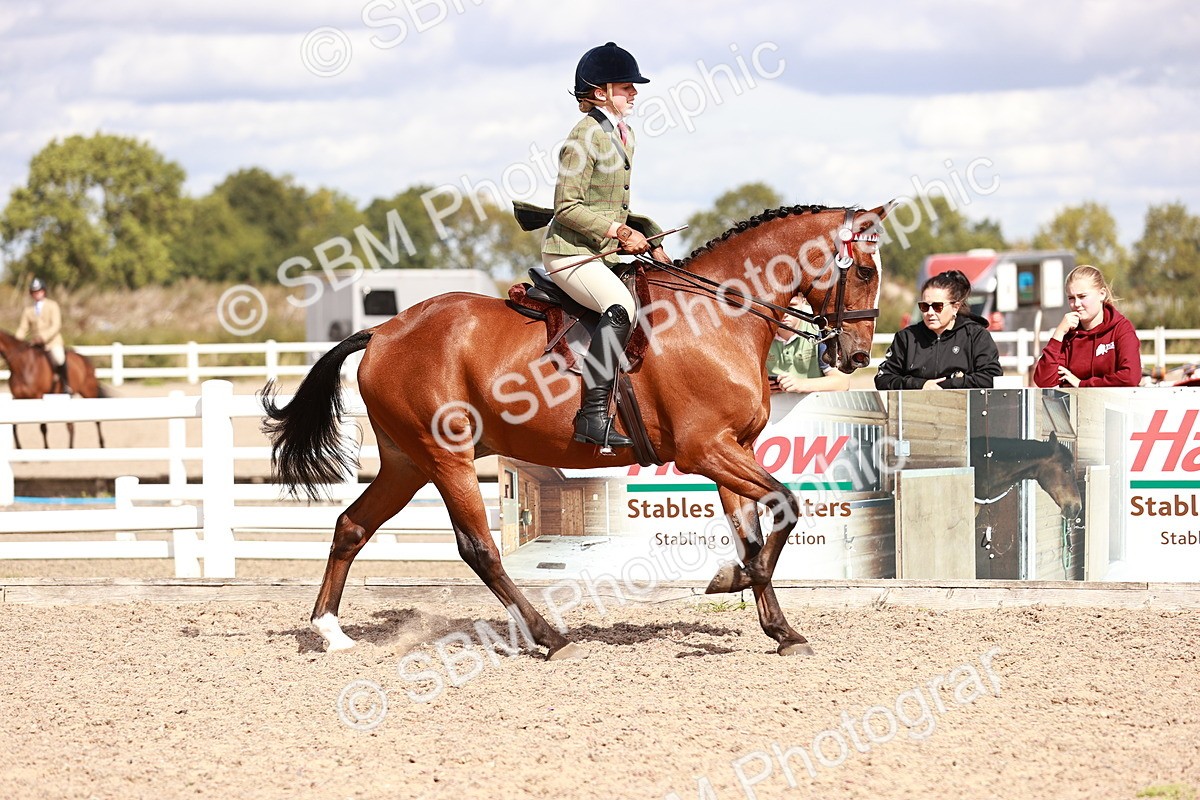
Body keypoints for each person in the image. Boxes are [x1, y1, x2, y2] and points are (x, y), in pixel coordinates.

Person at [542, 42, 669, 449]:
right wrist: (620, 232)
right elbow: (566, 207)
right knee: (621, 307)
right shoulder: (584, 138)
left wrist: (649, 236)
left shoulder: (621, 134)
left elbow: (613, 205)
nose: (634, 93)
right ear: (601, 92)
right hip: (570, 253)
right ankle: (592, 416)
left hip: (601, 253)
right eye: (626, 86)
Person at [874, 270, 1002, 390]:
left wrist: (948, 385)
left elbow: (991, 376)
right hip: (916, 406)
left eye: (937, 306)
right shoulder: (906, 338)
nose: (930, 312)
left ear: (955, 307)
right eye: (924, 306)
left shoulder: (976, 336)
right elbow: (883, 378)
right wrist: (920, 385)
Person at [1033, 265, 1141, 388]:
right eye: (1071, 298)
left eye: (1082, 296)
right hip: (1076, 401)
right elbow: (1044, 381)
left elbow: (1130, 377)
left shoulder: (1121, 328)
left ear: (1102, 294)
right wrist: (1058, 334)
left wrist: (1082, 384)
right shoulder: (1069, 335)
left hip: (1113, 401)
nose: (1076, 304)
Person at [767, 299, 850, 393]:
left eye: (792, 305)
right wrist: (762, 386)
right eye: (778, 305)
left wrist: (801, 384)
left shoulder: (819, 330)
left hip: (815, 401)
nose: (785, 313)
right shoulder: (759, 332)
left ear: (803, 301)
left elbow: (842, 382)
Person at [15, 276, 71, 394]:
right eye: (34, 292)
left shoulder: (52, 305)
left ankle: (66, 384)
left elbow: (56, 325)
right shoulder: (28, 310)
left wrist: (43, 337)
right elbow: (23, 328)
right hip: (35, 343)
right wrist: (16, 341)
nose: (37, 294)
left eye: (39, 291)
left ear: (44, 291)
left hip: (52, 342)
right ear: (31, 294)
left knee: (59, 358)